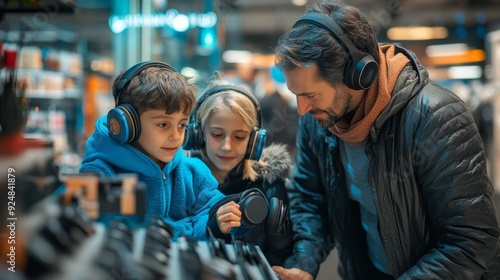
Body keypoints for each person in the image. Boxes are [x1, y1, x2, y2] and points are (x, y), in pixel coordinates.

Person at [271, 1, 500, 280]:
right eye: (296, 94)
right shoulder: (319, 120)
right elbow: (310, 198)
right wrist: (303, 262)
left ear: (358, 76)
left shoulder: (436, 118)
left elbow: (471, 240)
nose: (301, 110)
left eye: (310, 95)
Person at [78, 61, 242, 240]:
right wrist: (200, 226)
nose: (175, 136)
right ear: (127, 125)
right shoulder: (101, 174)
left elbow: (224, 218)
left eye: (182, 124)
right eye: (163, 124)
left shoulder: (193, 172)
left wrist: (214, 223)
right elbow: (128, 236)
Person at [183, 78, 294, 266]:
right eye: (217, 134)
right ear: (198, 134)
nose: (227, 146)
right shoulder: (180, 182)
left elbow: (278, 258)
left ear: (254, 141)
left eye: (239, 137)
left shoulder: (270, 185)